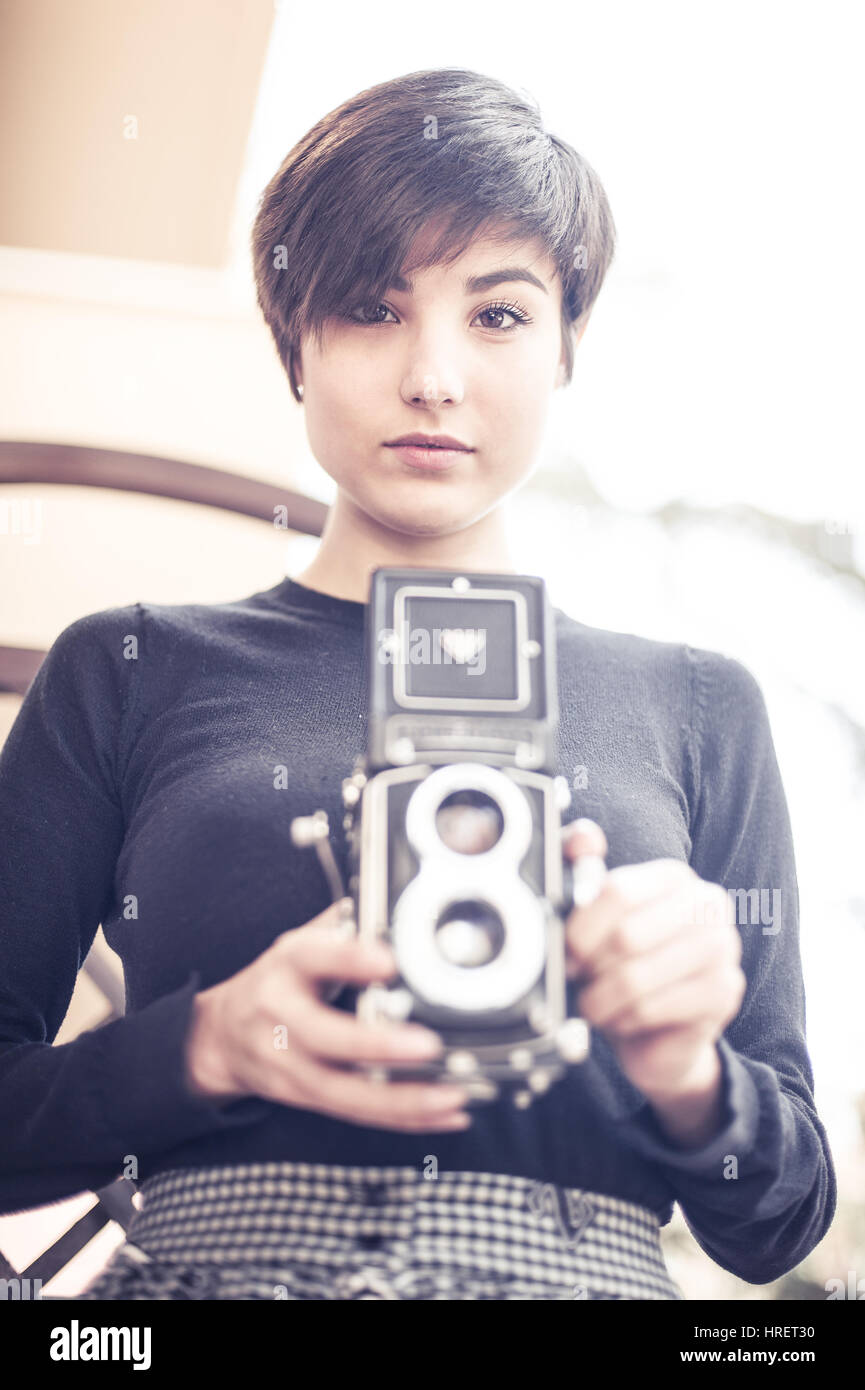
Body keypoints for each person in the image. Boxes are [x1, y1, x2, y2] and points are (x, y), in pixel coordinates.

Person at [0, 68, 835, 1301]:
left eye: (497, 315)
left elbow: (780, 1221)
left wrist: (688, 1074)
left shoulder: (701, 703)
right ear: (295, 340)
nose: (433, 377)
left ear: (569, 346)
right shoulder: (129, 667)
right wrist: (210, 1042)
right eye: (368, 309)